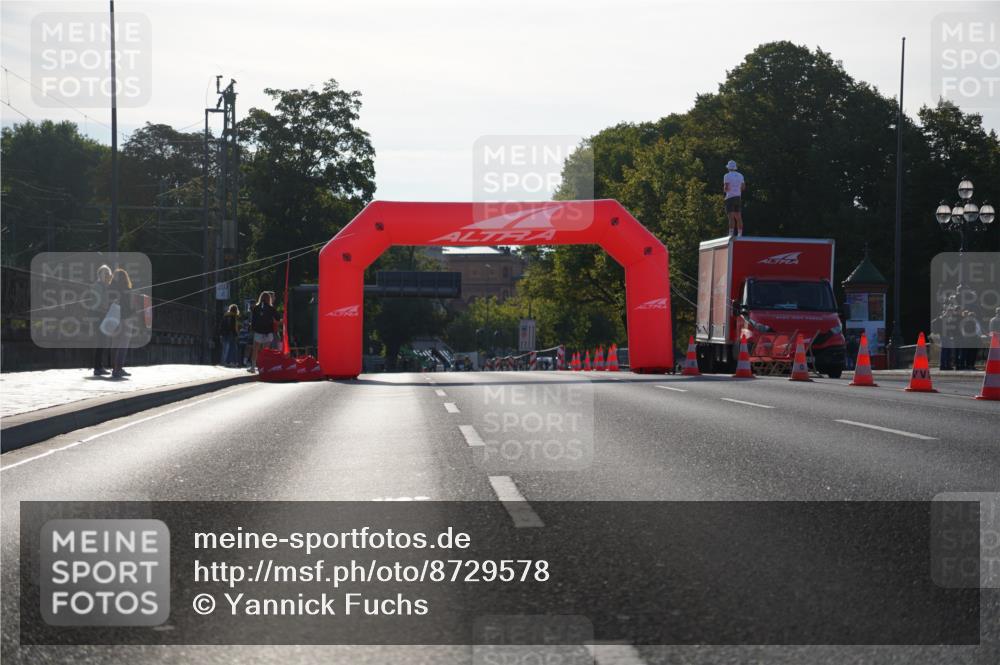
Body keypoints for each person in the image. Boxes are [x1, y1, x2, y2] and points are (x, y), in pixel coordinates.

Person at [108, 268, 134, 379]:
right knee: (123, 345)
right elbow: (128, 307)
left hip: (113, 319)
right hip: (125, 319)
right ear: (125, 278)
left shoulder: (110, 289)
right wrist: (134, 311)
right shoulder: (126, 290)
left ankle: (115, 368)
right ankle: (118, 369)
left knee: (114, 344)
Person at [249, 291, 280, 373]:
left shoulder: (256, 307)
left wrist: (253, 329)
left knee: (255, 349)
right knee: (265, 351)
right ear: (269, 299)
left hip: (258, 331)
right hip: (268, 331)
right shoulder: (271, 308)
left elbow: (253, 320)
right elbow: (278, 318)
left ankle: (253, 367)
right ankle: (262, 367)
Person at [91, 264, 113, 376]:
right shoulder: (98, 286)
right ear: (99, 274)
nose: (106, 275)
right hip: (98, 315)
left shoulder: (105, 287)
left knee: (103, 341)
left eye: (108, 274)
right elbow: (96, 303)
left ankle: (99, 366)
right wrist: (105, 308)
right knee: (101, 341)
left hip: (103, 315)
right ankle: (97, 368)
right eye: (104, 273)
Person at [723, 159, 746, 236]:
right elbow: (743, 187)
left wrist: (727, 189)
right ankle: (740, 234)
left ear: (728, 168)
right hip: (738, 197)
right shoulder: (740, 175)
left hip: (730, 198)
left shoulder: (726, 176)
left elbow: (726, 188)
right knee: (738, 217)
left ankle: (731, 234)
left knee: (731, 217)